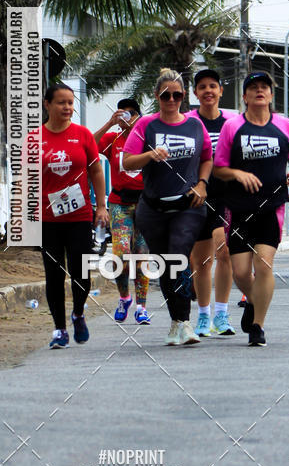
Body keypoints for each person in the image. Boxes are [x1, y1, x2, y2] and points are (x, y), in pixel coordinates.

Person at [123, 69, 213, 345]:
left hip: (188, 206)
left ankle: (185, 322)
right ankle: (176, 322)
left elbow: (207, 157)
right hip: (153, 208)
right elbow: (127, 162)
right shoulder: (146, 126)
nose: (171, 99)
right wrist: (150, 155)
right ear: (157, 96)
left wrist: (202, 184)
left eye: (176, 95)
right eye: (165, 95)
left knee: (178, 256)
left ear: (184, 96)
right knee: (165, 264)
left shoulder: (195, 126)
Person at [214, 71, 289, 347]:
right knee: (241, 272)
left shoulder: (284, 125)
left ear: (271, 95)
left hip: (272, 206)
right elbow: (219, 168)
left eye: (264, 87)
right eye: (253, 88)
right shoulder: (233, 127)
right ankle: (253, 300)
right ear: (245, 96)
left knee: (263, 263)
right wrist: (238, 175)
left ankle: (258, 326)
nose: (259, 91)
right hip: (239, 208)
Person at [39, 84, 108, 348]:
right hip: (48, 220)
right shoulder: (35, 139)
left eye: (70, 103)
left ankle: (78, 313)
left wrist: (101, 207)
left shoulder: (82, 135)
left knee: (81, 272)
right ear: (47, 105)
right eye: (61, 103)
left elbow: (96, 172)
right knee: (54, 274)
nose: (67, 108)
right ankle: (59, 330)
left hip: (79, 216)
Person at [189, 68, 238, 337]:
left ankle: (221, 314)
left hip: (227, 197)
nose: (208, 91)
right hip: (198, 196)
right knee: (202, 261)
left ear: (220, 91)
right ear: (195, 93)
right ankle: (203, 317)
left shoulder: (232, 123)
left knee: (225, 252)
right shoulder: (188, 123)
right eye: (202, 87)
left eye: (213, 86)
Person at [94, 99, 151, 324]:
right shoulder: (113, 139)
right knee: (120, 254)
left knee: (141, 255)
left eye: (132, 113)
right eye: (123, 113)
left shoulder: (148, 140)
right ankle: (124, 297)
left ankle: (141, 307)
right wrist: (110, 123)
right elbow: (90, 145)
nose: (127, 117)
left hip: (145, 203)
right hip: (119, 202)